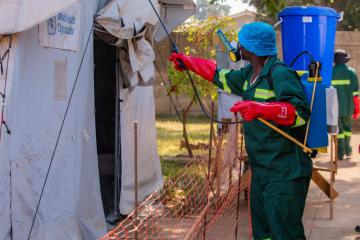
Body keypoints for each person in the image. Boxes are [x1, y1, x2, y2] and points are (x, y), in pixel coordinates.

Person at [169, 22, 312, 240]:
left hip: (285, 173)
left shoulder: (281, 74)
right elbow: (219, 74)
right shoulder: (249, 76)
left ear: (252, 49)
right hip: (262, 170)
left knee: (285, 234)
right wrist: (188, 62)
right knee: (262, 233)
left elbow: (300, 115)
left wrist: (261, 109)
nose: (238, 48)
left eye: (241, 44)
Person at [331, 49, 359, 160]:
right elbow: (356, 93)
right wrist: (356, 108)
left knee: (338, 130)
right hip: (348, 107)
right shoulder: (351, 72)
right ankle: (348, 151)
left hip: (334, 107)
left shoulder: (330, 72)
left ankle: (340, 154)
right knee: (347, 128)